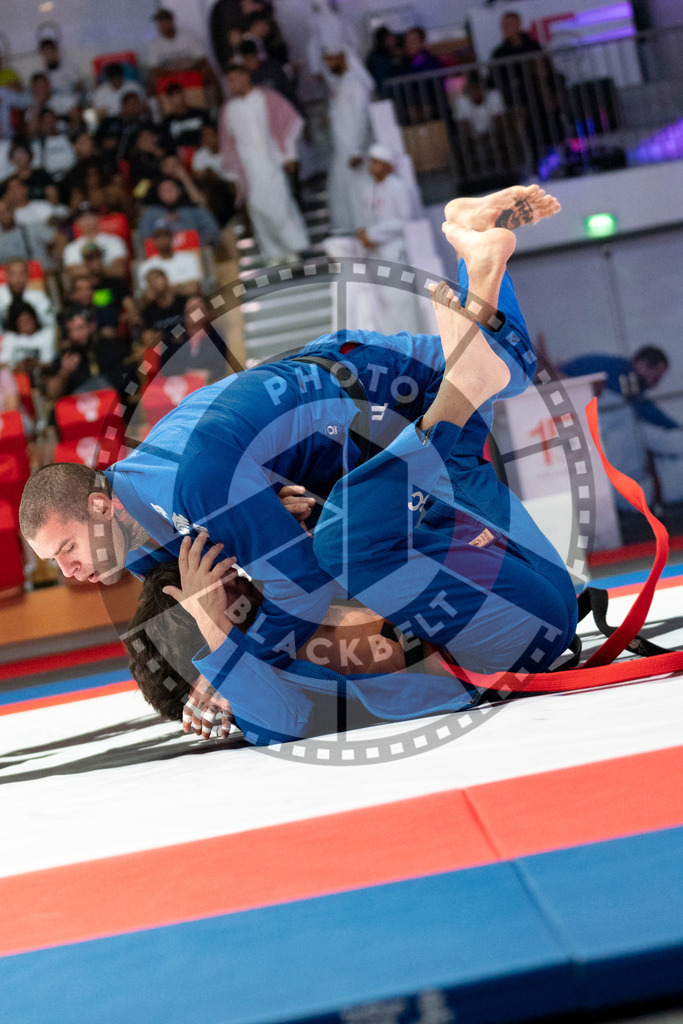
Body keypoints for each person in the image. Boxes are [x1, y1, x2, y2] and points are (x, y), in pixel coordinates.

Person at [19, 185, 567, 733]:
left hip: (359, 394)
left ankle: (470, 253)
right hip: (339, 436)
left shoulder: (188, 492)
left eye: (67, 547)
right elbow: (210, 605)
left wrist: (223, 661)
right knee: (464, 462)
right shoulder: (146, 549)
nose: (69, 570)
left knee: (497, 380)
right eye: (56, 562)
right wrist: (218, 656)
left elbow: (303, 591)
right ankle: (472, 251)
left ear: (99, 505)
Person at [560, 346, 683, 508]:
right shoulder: (620, 389)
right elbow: (647, 413)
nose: (655, 386)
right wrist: (675, 427)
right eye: (656, 378)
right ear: (643, 366)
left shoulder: (616, 396)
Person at [218, 63, 309, 263]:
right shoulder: (229, 109)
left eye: (234, 79)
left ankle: (294, 247)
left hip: (272, 161)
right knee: (257, 208)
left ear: (246, 77)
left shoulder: (267, 98)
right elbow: (228, 145)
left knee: (280, 204)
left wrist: (289, 155)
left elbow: (290, 121)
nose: (231, 84)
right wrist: (232, 174)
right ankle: (275, 252)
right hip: (248, 168)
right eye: (228, 81)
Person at [322, 47, 374, 233]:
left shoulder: (355, 84)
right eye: (325, 60)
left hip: (355, 150)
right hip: (341, 150)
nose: (328, 64)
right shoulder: (338, 84)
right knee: (343, 194)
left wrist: (357, 150)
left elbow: (361, 118)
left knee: (360, 194)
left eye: (331, 59)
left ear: (342, 57)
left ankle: (366, 231)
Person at [137, 177, 222, 249]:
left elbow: (213, 232)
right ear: (158, 194)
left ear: (179, 190)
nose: (168, 192)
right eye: (163, 190)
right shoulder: (150, 213)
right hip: (162, 256)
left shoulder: (196, 210)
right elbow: (142, 238)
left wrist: (201, 243)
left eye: (171, 188)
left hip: (195, 252)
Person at [62, 205, 128, 278]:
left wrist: (92, 271)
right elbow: (74, 272)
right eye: (82, 218)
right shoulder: (71, 248)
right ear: (77, 222)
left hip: (113, 284)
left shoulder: (114, 241)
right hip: (87, 287)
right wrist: (104, 269)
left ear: (98, 217)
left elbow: (119, 270)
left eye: (91, 216)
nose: (87, 220)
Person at [136, 225, 202, 295]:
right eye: (158, 237)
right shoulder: (146, 266)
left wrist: (163, 290)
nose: (162, 240)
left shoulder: (188, 259)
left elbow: (194, 288)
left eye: (166, 236)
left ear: (172, 238)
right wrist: (179, 287)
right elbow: (147, 295)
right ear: (153, 240)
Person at [0, 298, 56, 370]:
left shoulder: (47, 335)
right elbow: (3, 364)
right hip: (17, 376)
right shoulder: (10, 338)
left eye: (28, 320)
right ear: (16, 325)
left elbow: (49, 362)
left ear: (35, 320)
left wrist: (36, 364)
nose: (27, 325)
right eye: (22, 322)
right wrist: (18, 367)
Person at [0, 258, 55, 328]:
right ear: (7, 275)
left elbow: (50, 324)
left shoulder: (39, 297)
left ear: (27, 275)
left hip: (35, 336)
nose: (17, 278)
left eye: (21, 274)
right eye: (13, 274)